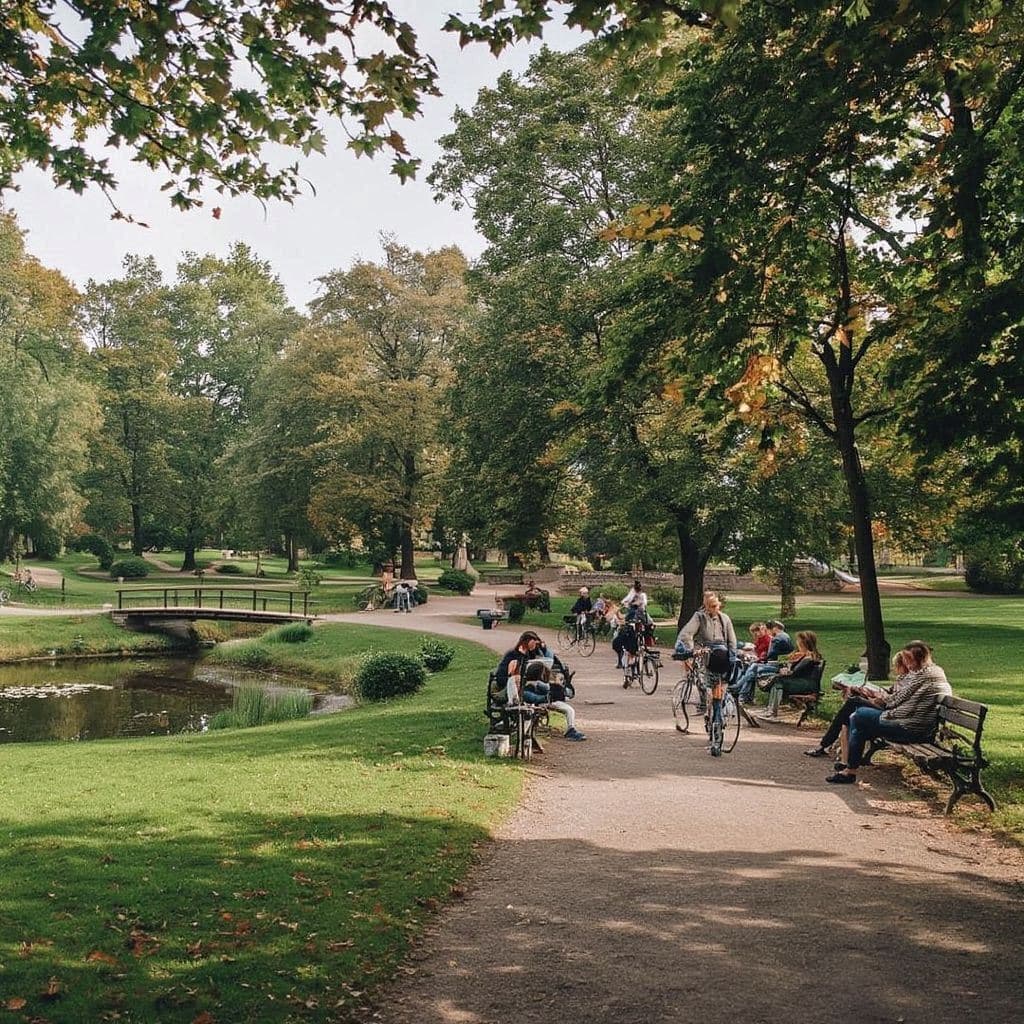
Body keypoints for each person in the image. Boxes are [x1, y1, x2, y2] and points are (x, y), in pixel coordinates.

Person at [826, 641, 952, 785]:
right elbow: (896, 699)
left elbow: (893, 701)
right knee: (858, 720)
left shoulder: (923, 676)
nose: (906, 663)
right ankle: (849, 769)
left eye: (908, 659)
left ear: (919, 659)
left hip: (910, 728)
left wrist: (875, 696)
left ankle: (849, 768)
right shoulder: (933, 672)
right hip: (916, 726)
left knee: (858, 715)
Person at [804, 651, 911, 763]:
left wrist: (878, 695)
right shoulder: (902, 679)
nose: (894, 669)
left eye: (896, 666)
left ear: (902, 666)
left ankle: (826, 746)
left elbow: (894, 701)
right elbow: (889, 692)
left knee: (852, 703)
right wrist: (871, 691)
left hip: (888, 713)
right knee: (848, 712)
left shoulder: (908, 682)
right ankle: (837, 753)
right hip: (884, 707)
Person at [758, 630, 824, 720]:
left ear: (804, 643)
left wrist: (786, 670)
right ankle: (771, 709)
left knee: (778, 680)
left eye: (798, 641)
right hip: (804, 682)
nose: (797, 643)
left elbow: (794, 672)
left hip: (806, 684)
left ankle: (772, 711)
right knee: (777, 682)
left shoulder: (809, 658)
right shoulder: (806, 656)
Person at [731, 619, 794, 704]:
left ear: (774, 629)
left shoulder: (776, 639)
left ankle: (739, 690)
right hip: (777, 663)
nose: (767, 632)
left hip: (776, 665)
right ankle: (743, 695)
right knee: (749, 669)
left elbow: (769, 655)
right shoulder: (783, 636)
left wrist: (759, 658)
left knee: (753, 668)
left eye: (767, 630)